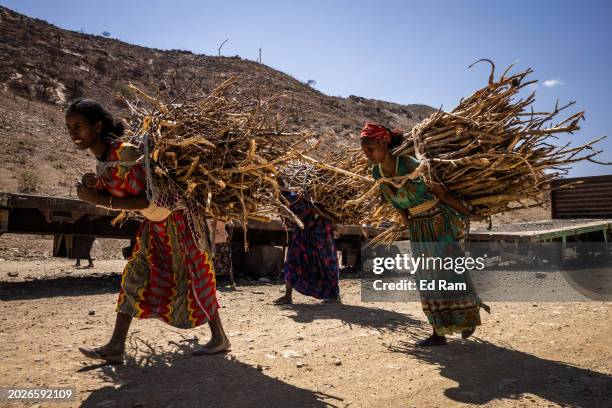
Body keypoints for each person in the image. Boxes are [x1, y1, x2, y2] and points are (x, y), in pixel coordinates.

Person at [65, 98, 230, 363]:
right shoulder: (103, 158)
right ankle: (116, 346)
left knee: (194, 277)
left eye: (79, 126)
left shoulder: (127, 153)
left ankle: (219, 337)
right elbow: (120, 192)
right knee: (135, 275)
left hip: (179, 221)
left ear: (97, 125)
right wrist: (94, 186)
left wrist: (96, 199)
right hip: (155, 225)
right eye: (70, 127)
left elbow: (148, 199)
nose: (73, 133)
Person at [360, 122, 489, 347]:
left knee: (449, 275)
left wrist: (470, 214)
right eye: (364, 150)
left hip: (441, 223)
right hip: (418, 228)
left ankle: (466, 318)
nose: (367, 154)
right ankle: (438, 333)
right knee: (426, 279)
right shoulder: (376, 172)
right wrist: (407, 223)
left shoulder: (411, 164)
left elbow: (443, 195)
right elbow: (394, 202)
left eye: (370, 148)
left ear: (383, 143)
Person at [274, 187, 341, 305]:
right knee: (292, 260)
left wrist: (316, 210)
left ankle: (335, 295)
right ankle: (287, 295)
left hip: (321, 231)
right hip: (303, 231)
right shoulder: (290, 196)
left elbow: (327, 213)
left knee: (327, 262)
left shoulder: (309, 193)